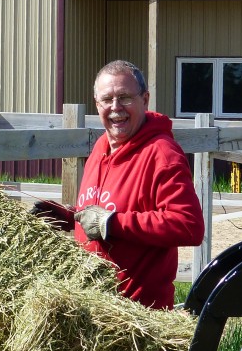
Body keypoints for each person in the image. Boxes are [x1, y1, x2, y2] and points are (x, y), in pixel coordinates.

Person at [32, 60, 205, 309]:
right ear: (97, 104)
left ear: (144, 100)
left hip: (139, 318)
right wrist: (71, 218)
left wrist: (112, 223)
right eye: (107, 99)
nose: (116, 108)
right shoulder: (101, 147)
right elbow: (107, 207)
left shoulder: (162, 155)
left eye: (125, 97)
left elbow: (189, 226)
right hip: (95, 309)